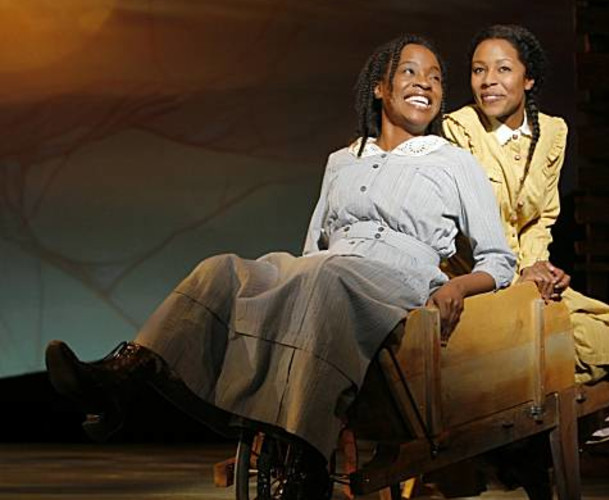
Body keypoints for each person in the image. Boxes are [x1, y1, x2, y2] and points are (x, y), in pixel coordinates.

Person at [45, 34, 515, 496]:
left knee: (323, 280)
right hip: (329, 270)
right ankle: (123, 377)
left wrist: (459, 287)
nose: (425, 84)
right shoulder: (342, 162)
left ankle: (307, 449)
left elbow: (499, 260)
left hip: (395, 281)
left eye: (435, 77)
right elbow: (314, 248)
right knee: (222, 270)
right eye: (410, 72)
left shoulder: (456, 163)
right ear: (379, 86)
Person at [442, 24, 609, 386]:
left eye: (503, 69)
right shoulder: (460, 128)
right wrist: (518, 275)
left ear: (528, 79)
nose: (488, 80)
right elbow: (476, 221)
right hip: (479, 276)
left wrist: (539, 269)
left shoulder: (552, 133)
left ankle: (530, 383)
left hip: (528, 276)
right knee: (527, 343)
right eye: (478, 70)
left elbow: (541, 219)